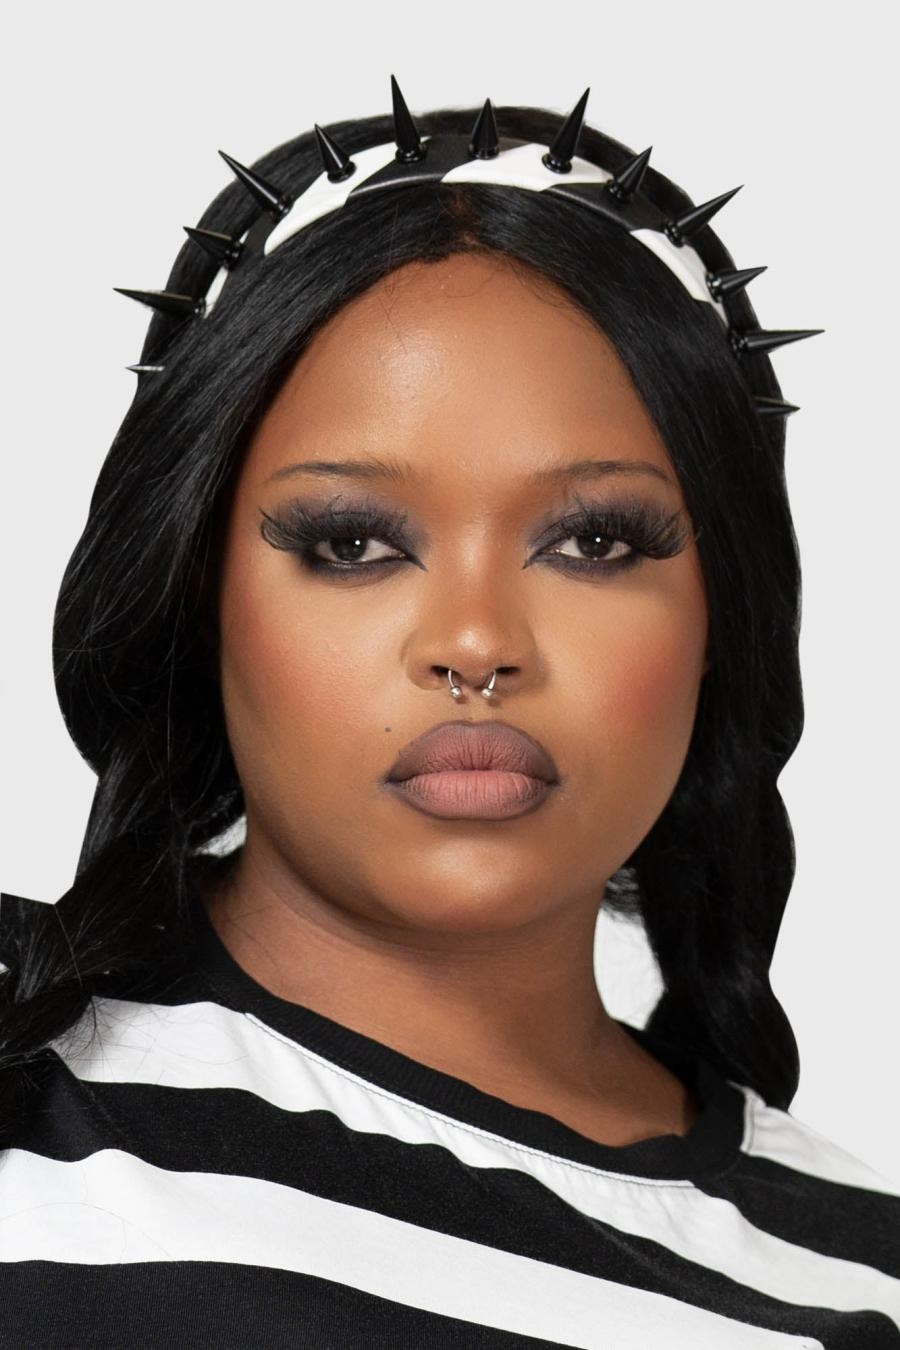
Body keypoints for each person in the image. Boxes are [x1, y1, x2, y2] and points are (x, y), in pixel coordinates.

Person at [1, 77, 898, 1347]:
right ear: (198, 593)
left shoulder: (862, 1275)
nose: (476, 643)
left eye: (593, 542)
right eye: (353, 542)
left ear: (721, 616)